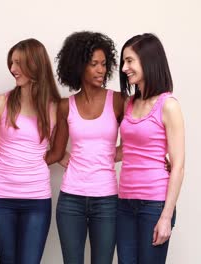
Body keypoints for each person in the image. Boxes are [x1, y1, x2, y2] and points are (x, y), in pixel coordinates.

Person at [46, 31, 123, 264]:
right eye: (94, 64)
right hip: (71, 200)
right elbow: (57, 151)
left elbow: (136, 142)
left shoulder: (119, 101)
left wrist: (160, 157)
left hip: (107, 199)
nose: (101, 70)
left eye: (103, 64)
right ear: (79, 66)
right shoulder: (64, 106)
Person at [0, 38, 61, 264]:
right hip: (2, 198)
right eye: (12, 63)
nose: (12, 69)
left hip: (37, 199)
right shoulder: (2, 102)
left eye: (18, 63)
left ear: (35, 64)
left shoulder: (55, 106)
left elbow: (58, 150)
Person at [116, 33, 185, 264]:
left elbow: (178, 166)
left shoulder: (168, 105)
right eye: (123, 62)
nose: (124, 68)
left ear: (148, 60)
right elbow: (126, 151)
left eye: (129, 61)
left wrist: (166, 216)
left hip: (154, 204)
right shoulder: (129, 103)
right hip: (124, 201)